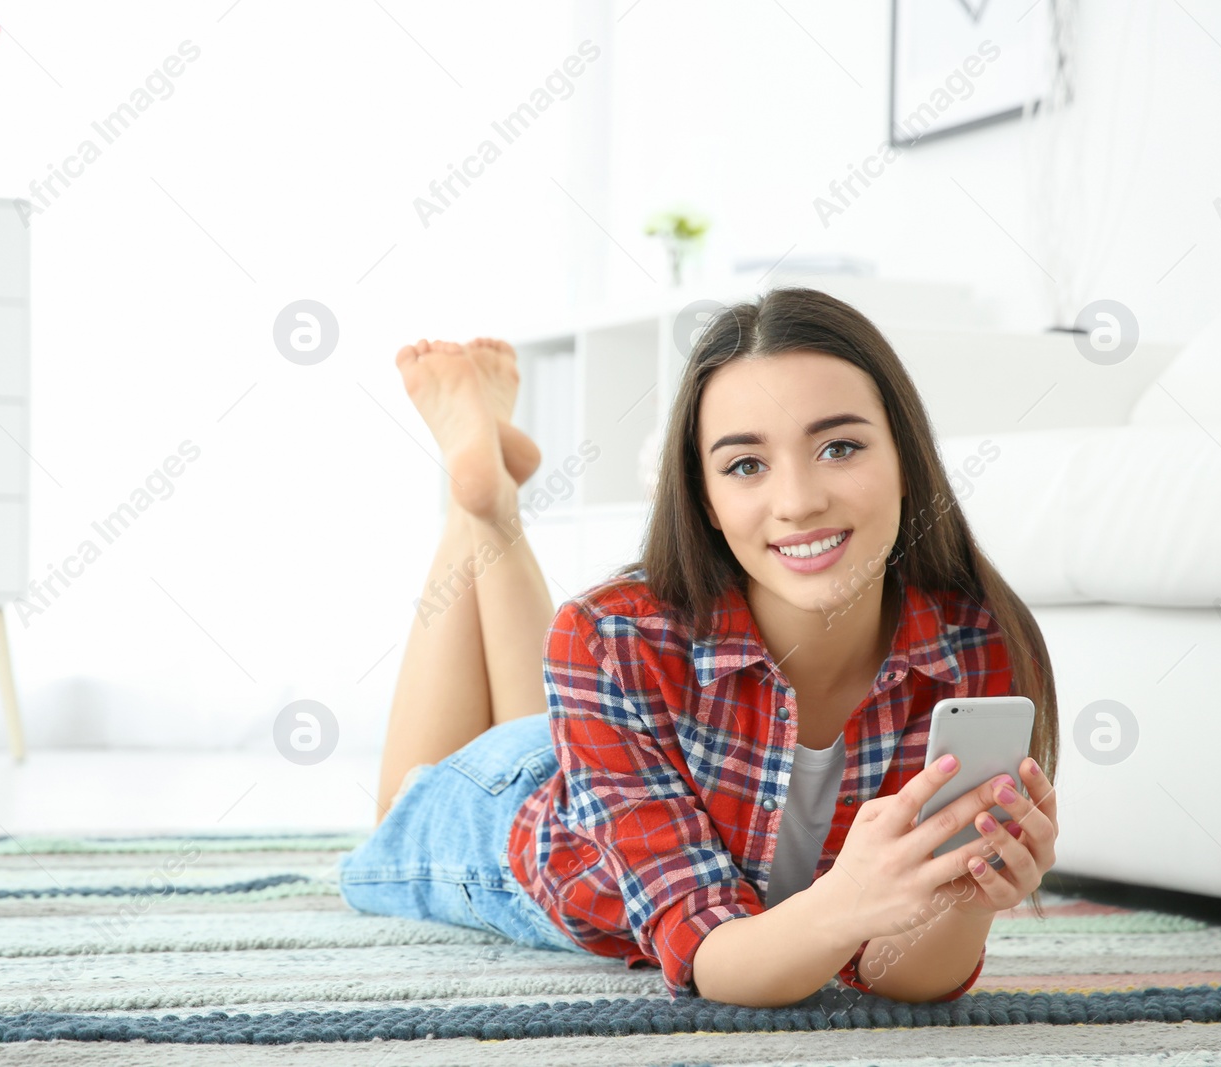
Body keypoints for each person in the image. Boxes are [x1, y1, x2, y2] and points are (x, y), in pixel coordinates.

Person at [335, 287, 1060, 1009]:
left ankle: (491, 492)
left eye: (839, 447)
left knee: (561, 686)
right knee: (393, 820)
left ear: (906, 456)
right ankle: (481, 507)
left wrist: (967, 898)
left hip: (608, 751)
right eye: (746, 464)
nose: (800, 500)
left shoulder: (975, 641)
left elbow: (894, 973)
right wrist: (847, 899)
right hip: (509, 822)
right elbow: (714, 959)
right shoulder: (609, 637)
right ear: (705, 498)